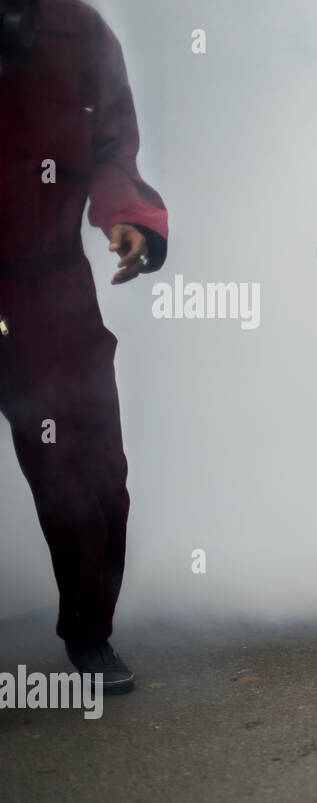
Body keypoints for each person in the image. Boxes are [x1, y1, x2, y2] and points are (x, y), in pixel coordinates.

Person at [0, 0, 168, 693]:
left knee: (89, 466)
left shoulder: (79, 31)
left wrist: (127, 216)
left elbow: (112, 149)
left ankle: (90, 629)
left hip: (49, 287)